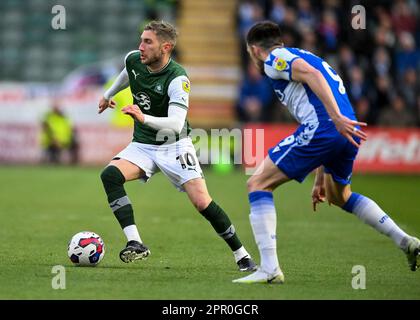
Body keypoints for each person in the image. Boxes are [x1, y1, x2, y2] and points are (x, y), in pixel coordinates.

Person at [233, 21, 420, 284]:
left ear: (253, 50)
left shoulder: (274, 58)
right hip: (345, 132)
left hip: (330, 126)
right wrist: (321, 174)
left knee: (257, 183)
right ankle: (405, 241)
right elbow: (317, 89)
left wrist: (335, 118)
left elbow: (313, 76)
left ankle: (269, 268)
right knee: (339, 195)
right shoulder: (303, 54)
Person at [97, 20, 256, 272]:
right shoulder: (134, 59)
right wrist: (108, 96)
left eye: (148, 42)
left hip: (175, 146)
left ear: (166, 47)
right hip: (143, 145)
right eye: (141, 40)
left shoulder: (177, 78)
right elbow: (128, 73)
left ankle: (242, 255)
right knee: (110, 175)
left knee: (202, 202)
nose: (141, 47)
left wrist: (143, 117)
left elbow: (175, 123)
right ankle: (135, 242)